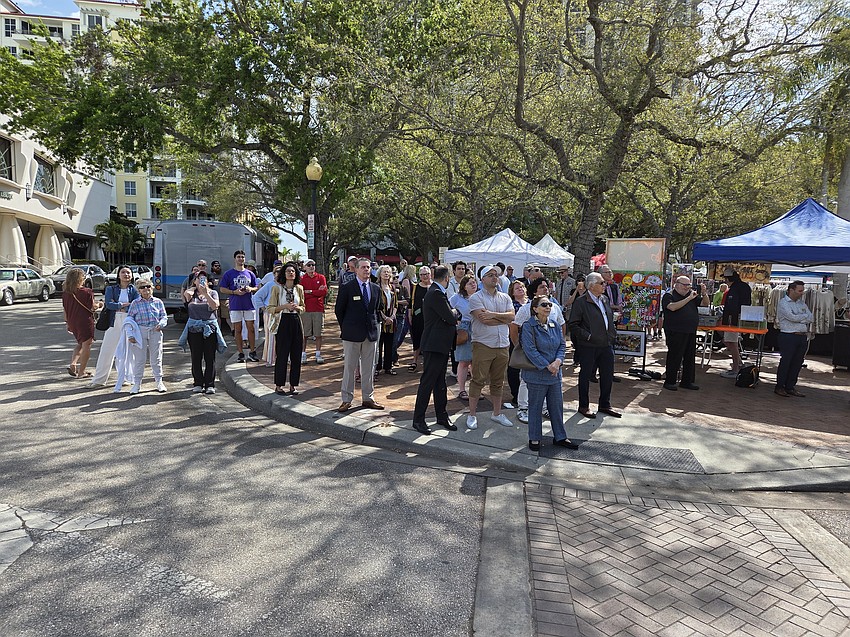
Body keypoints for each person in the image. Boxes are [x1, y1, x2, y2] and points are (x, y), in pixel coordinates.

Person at [521, 295, 578, 451]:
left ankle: (560, 436)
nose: (548, 307)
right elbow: (530, 350)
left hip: (554, 375)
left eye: (550, 304)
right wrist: (547, 365)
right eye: (544, 304)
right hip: (537, 375)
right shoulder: (528, 326)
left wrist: (558, 362)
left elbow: (562, 345)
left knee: (556, 407)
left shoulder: (554, 324)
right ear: (535, 309)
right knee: (535, 407)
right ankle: (534, 438)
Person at [411, 265, 461, 435]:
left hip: (440, 344)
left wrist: (452, 314)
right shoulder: (436, 293)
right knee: (428, 382)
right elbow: (450, 316)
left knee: (440, 383)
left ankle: (441, 415)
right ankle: (418, 419)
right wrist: (456, 312)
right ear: (447, 278)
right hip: (434, 344)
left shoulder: (435, 292)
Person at [466, 264, 515, 430]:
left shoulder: (505, 297)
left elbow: (511, 317)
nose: (495, 277)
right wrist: (503, 318)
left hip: (503, 344)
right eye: (490, 275)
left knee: (498, 381)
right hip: (483, 344)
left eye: (496, 274)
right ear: (482, 279)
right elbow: (483, 320)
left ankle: (496, 413)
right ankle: (472, 415)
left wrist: (493, 315)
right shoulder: (475, 298)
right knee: (478, 380)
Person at [568, 272, 621, 419]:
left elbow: (608, 318)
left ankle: (605, 404)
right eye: (601, 283)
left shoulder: (604, 299)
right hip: (588, 345)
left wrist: (612, 334)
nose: (604, 285)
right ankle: (583, 406)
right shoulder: (581, 302)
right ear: (591, 286)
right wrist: (588, 336)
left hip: (606, 344)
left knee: (607, 375)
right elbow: (573, 324)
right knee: (586, 375)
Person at [513, 279, 567, 423]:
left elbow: (561, 326)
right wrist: (520, 346)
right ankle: (523, 408)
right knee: (526, 381)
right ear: (534, 292)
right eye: (541, 287)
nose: (546, 289)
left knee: (553, 384)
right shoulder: (526, 309)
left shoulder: (555, 307)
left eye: (546, 286)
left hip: (552, 356)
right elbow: (514, 327)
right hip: (532, 357)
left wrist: (557, 360)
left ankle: (546, 409)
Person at [334, 257, 383, 412]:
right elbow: (339, 310)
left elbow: (377, 309)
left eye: (368, 267)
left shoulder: (375, 288)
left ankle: (368, 398)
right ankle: (346, 399)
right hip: (351, 335)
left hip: (370, 334)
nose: (366, 270)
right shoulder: (347, 287)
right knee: (349, 367)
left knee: (369, 368)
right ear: (355, 269)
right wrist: (346, 327)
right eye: (363, 267)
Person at [90, 265, 139, 388]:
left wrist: (120, 305)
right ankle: (99, 380)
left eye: (128, 272)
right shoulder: (111, 289)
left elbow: (136, 305)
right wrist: (122, 305)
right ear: (118, 275)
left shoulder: (134, 290)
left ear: (132, 275)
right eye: (123, 272)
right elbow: (109, 304)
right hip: (114, 320)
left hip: (128, 321)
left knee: (127, 351)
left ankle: (126, 378)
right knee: (107, 350)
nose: (126, 275)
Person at [179, 269, 225, 394]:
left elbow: (215, 306)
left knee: (210, 357)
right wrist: (195, 288)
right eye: (199, 278)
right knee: (196, 357)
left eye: (205, 279)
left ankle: (210, 384)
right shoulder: (191, 293)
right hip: (194, 329)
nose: (202, 281)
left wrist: (206, 293)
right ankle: (198, 382)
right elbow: (186, 297)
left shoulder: (213, 293)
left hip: (209, 328)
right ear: (195, 281)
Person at [661, 276, 709, 391]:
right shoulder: (669, 296)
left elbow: (705, 303)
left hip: (690, 330)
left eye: (689, 285)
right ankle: (670, 381)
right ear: (676, 284)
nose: (687, 288)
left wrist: (704, 293)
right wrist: (688, 299)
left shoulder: (691, 295)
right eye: (684, 285)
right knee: (675, 356)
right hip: (675, 330)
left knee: (689, 356)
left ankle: (687, 381)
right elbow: (672, 307)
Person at [267, 262, 305, 395]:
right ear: (284, 273)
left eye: (293, 271)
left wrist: (297, 307)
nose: (291, 273)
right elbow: (270, 308)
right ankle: (279, 385)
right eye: (288, 271)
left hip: (295, 321)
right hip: (283, 321)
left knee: (296, 354)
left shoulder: (299, 288)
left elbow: (303, 307)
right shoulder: (277, 289)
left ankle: (294, 385)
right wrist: (284, 307)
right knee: (282, 354)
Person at [125, 279, 168, 394]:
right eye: (142, 287)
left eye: (148, 286)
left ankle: (159, 381)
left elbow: (164, 316)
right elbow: (129, 319)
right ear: (139, 290)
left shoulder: (158, 302)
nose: (146, 289)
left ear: (152, 288)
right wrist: (130, 334)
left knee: (156, 358)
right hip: (140, 331)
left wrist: (161, 324)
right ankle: (137, 383)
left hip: (155, 330)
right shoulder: (135, 303)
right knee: (140, 359)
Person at [218, 250, 260, 363]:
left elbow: (256, 287)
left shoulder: (250, 274)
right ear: (235, 259)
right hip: (235, 305)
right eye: (238, 257)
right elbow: (222, 288)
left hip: (249, 305)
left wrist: (250, 289)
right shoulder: (229, 274)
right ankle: (240, 353)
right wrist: (234, 292)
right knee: (238, 329)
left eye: (242, 257)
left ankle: (252, 351)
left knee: (251, 328)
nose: (240, 259)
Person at [62, 267, 103, 379]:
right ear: (80, 279)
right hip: (84, 321)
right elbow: (92, 307)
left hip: (72, 321)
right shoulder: (87, 292)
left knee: (80, 343)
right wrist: (100, 304)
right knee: (87, 345)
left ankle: (73, 364)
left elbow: (65, 309)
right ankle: (82, 372)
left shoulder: (66, 293)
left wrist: (67, 323)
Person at [775, 280, 813, 397]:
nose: (802, 293)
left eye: (803, 291)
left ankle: (790, 386)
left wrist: (799, 317)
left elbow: (811, 317)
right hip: (788, 336)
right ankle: (780, 386)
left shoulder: (802, 303)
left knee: (797, 363)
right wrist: (803, 317)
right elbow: (791, 317)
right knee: (786, 361)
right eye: (799, 291)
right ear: (791, 290)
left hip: (802, 337)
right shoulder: (783, 303)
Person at [719, 267, 752, 379]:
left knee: (730, 342)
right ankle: (739, 364)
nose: (724, 281)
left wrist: (726, 319)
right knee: (731, 342)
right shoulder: (744, 286)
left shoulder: (735, 288)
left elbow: (732, 306)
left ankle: (735, 368)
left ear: (728, 278)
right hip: (740, 318)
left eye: (725, 278)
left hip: (733, 320)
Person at [449, 274, 477, 401]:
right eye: (470, 283)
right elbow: (448, 308)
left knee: (476, 361)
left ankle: (475, 390)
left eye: (474, 282)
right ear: (464, 286)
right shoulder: (457, 297)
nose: (473, 284)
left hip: (478, 329)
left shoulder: (480, 297)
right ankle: (461, 390)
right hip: (464, 329)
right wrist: (456, 320)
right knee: (464, 361)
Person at [505, 279, 530, 410]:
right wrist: (516, 343)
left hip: (532, 339)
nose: (520, 289)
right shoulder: (511, 305)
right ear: (512, 292)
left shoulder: (532, 303)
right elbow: (511, 324)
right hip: (516, 338)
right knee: (514, 367)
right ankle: (516, 394)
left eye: (521, 287)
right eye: (517, 288)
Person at [300, 258, 328, 364]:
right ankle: (303, 354)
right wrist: (316, 292)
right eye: (309, 265)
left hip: (318, 309)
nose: (311, 267)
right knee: (304, 334)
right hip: (306, 309)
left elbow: (323, 292)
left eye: (313, 264)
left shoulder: (321, 277)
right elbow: (302, 294)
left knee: (318, 333)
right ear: (305, 268)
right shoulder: (302, 279)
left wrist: (310, 291)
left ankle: (318, 354)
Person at [408, 266, 433, 373]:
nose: (425, 276)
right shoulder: (415, 288)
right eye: (422, 274)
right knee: (417, 339)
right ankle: (414, 361)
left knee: (430, 340)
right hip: (418, 318)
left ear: (430, 274)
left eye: (426, 274)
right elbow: (410, 304)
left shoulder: (434, 286)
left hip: (432, 319)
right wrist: (410, 317)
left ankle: (428, 362)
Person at [375, 265, 398, 376]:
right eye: (384, 272)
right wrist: (384, 317)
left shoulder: (392, 288)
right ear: (380, 273)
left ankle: (388, 367)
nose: (386, 274)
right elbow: (376, 306)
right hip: (380, 320)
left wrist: (392, 317)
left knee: (390, 345)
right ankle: (377, 367)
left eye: (388, 272)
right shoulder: (376, 287)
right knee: (379, 345)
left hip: (391, 322)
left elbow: (396, 304)